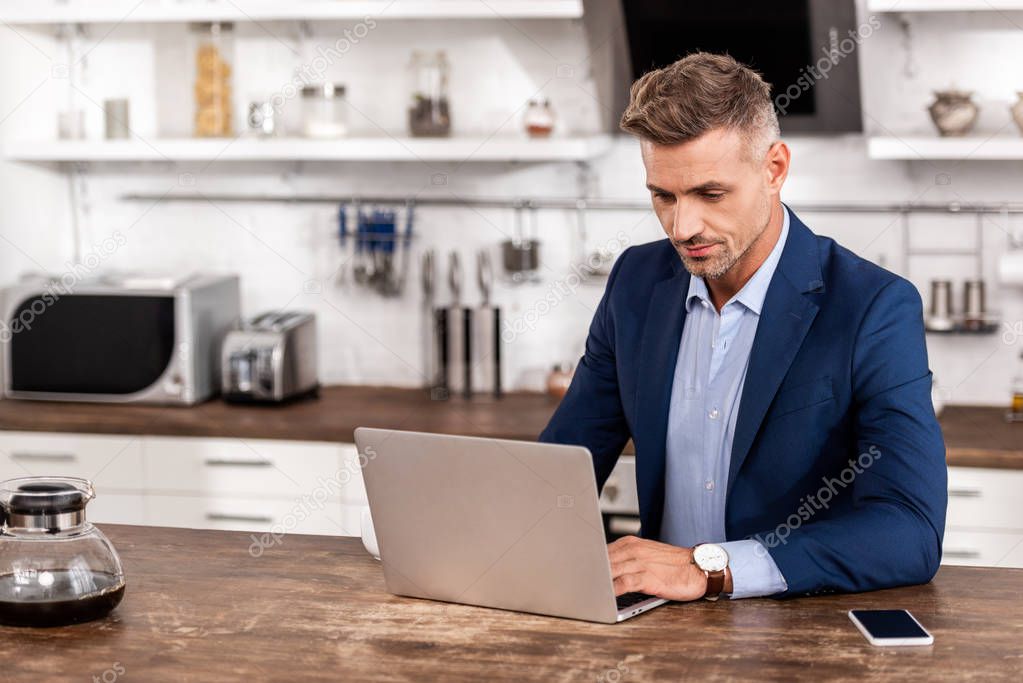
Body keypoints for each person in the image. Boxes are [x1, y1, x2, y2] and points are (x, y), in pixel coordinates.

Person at [539, 52, 947, 601]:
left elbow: (909, 532)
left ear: (774, 168)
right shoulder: (635, 281)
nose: (683, 227)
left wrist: (710, 569)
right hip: (660, 631)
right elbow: (561, 470)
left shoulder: (874, 306)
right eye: (663, 196)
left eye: (710, 194)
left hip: (801, 634)